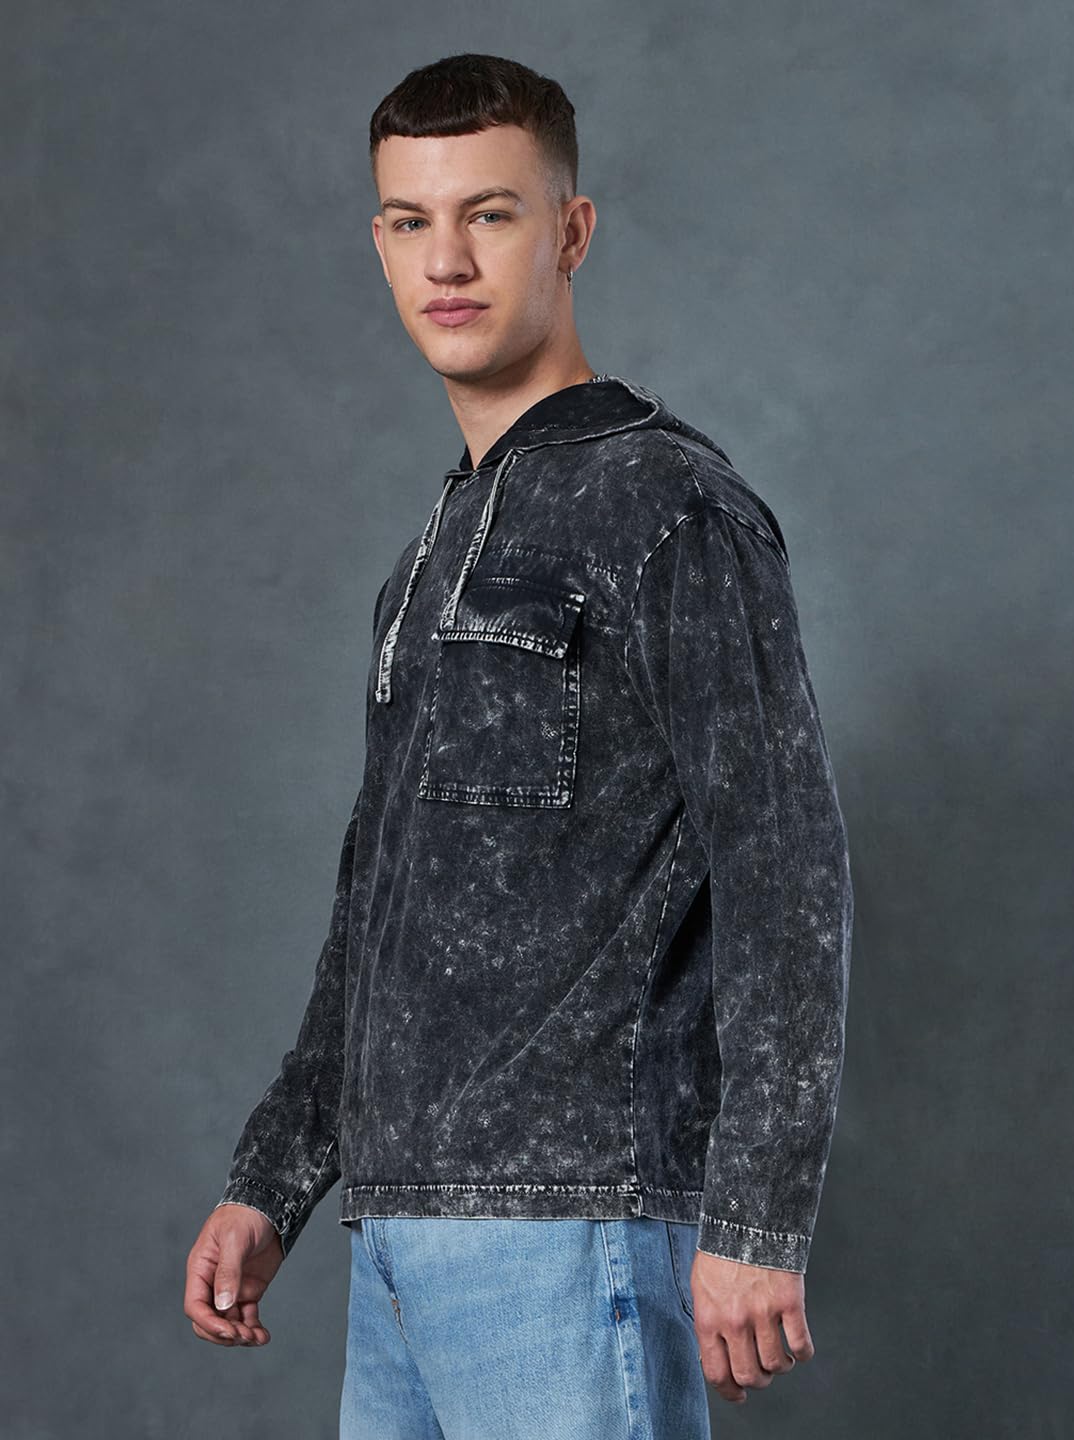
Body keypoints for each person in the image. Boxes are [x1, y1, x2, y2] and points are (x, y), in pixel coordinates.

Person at [184, 52, 854, 1438]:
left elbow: (784, 872)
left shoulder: (672, 509)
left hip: (573, 1235)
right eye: (411, 220)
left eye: (489, 214)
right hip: (396, 1248)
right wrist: (273, 1181)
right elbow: (375, 913)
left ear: (571, 230)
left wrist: (758, 1218)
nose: (448, 260)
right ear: (379, 241)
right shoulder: (428, 559)